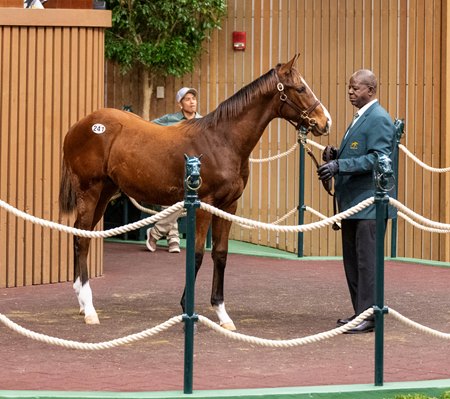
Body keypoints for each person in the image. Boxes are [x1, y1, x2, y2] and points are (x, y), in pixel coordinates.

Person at [317, 69, 396, 334]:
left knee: (367, 262)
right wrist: (336, 154)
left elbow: (378, 159)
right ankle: (359, 312)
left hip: (370, 204)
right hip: (353, 204)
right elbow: (361, 152)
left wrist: (339, 166)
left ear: (370, 90)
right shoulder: (362, 117)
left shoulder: (379, 119)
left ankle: (370, 316)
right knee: (352, 261)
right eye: (349, 88)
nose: (350, 92)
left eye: (356, 88)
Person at [145, 87, 202, 254]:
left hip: (193, 172)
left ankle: (156, 233)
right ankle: (173, 238)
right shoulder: (170, 119)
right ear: (180, 104)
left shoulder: (203, 121)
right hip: (170, 168)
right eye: (187, 99)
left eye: (193, 98)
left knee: (178, 202)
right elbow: (148, 129)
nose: (192, 102)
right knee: (174, 201)